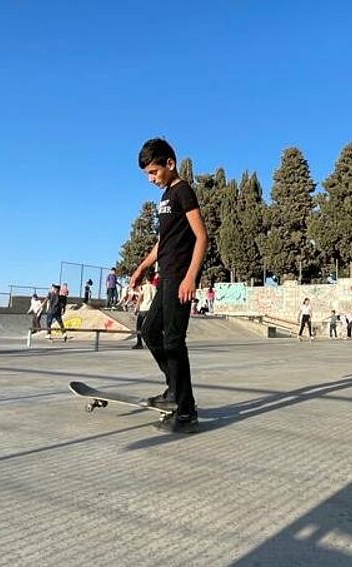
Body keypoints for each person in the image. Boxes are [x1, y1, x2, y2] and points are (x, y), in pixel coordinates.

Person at [129, 138, 207, 433]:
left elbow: (202, 237)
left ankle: (186, 412)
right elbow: (163, 242)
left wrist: (190, 277)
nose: (151, 179)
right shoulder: (165, 197)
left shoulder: (183, 191)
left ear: (169, 164)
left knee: (174, 340)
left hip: (179, 277)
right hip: (166, 276)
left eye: (153, 172)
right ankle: (174, 389)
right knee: (149, 330)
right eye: (147, 174)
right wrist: (141, 268)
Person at [132, 273, 158, 349]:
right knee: (150, 327)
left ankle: (139, 343)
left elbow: (140, 298)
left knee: (139, 326)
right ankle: (151, 343)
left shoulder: (143, 287)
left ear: (146, 280)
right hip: (151, 309)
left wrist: (136, 308)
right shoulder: (154, 287)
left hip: (143, 308)